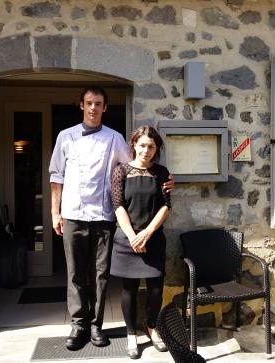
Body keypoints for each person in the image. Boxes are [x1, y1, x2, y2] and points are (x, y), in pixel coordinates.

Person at [49, 87, 173, 350]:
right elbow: (56, 177)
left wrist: (166, 182)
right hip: (72, 214)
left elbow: (137, 168)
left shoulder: (114, 138)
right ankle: (78, 324)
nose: (93, 108)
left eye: (98, 104)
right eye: (89, 103)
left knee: (100, 274)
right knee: (75, 273)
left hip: (104, 216)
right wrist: (54, 212)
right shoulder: (65, 137)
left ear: (105, 108)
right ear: (81, 105)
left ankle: (96, 325)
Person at [110, 126, 171, 359]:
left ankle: (152, 328)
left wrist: (147, 233)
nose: (146, 150)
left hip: (153, 238)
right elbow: (118, 205)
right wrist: (133, 236)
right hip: (127, 240)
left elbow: (166, 205)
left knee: (156, 289)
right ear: (134, 144)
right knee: (129, 290)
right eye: (142, 145)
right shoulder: (121, 171)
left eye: (151, 146)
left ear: (157, 149)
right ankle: (130, 334)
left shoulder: (162, 173)